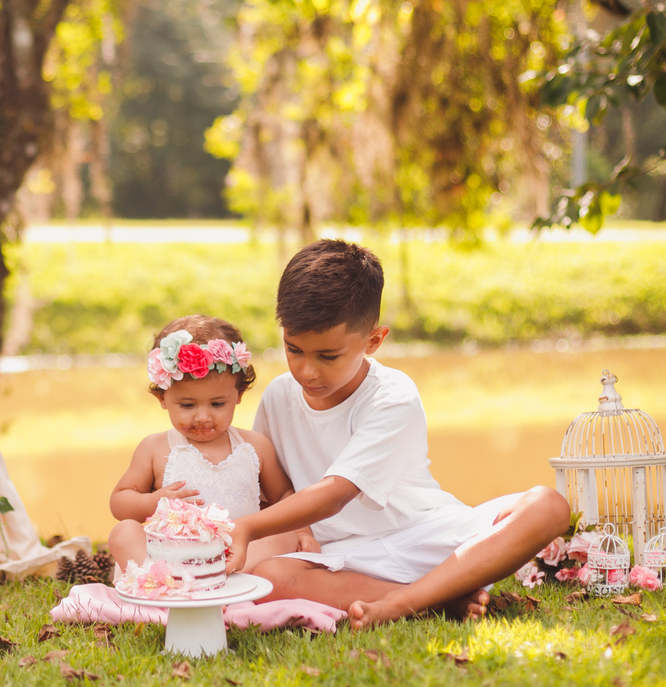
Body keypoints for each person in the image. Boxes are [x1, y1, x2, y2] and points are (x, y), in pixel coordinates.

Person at [226, 239, 570, 626]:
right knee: (271, 576)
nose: (306, 371)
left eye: (328, 356)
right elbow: (272, 488)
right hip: (344, 558)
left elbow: (338, 492)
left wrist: (247, 528)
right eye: (294, 350)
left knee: (547, 505)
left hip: (427, 538)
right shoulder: (278, 397)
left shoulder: (393, 396)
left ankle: (402, 602)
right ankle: (438, 601)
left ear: (374, 340)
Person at [108, 315, 319, 574]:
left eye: (217, 404)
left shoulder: (254, 446)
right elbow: (119, 501)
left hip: (235, 554)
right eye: (187, 405)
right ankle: (163, 583)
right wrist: (152, 501)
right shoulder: (154, 448)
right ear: (162, 397)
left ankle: (223, 580)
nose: (203, 417)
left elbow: (284, 497)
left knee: (282, 536)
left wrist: (301, 530)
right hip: (170, 557)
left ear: (238, 395)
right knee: (124, 532)